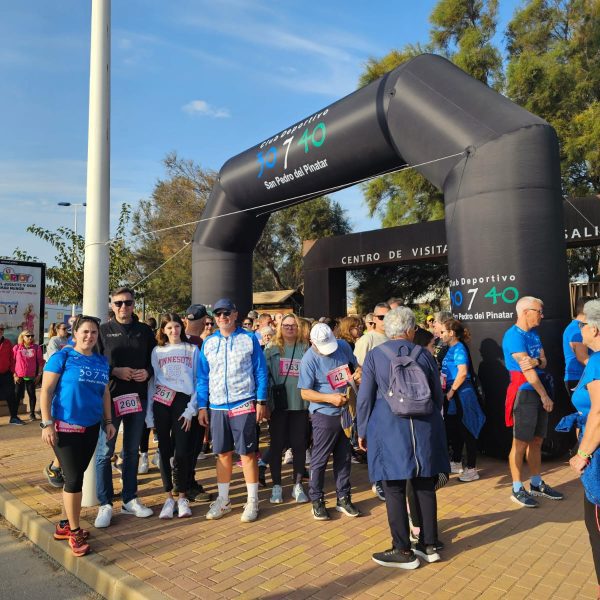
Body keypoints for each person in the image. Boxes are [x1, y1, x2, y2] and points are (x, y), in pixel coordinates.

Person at [357, 307, 450, 569]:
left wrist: (361, 430)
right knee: (423, 483)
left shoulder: (376, 356)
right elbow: (436, 394)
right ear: (410, 330)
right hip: (423, 426)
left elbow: (364, 398)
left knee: (394, 487)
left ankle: (402, 550)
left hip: (389, 428)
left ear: (388, 329)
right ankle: (429, 544)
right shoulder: (425, 355)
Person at [39, 315, 116, 557]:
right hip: (64, 427)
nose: (89, 336)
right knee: (73, 480)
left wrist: (109, 421)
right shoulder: (62, 357)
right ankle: (74, 530)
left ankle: (64, 524)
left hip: (92, 427)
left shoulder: (101, 361)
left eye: (94, 332)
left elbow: (104, 393)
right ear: (75, 332)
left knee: (77, 476)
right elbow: (47, 390)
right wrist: (46, 424)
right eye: (85, 331)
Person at [196, 298, 268, 522]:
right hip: (217, 406)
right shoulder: (208, 343)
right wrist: (202, 406)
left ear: (235, 314)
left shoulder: (249, 339)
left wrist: (261, 401)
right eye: (218, 314)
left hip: (243, 402)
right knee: (223, 454)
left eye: (226, 313)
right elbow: (202, 377)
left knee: (247, 454)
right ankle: (224, 499)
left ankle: (253, 500)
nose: (222, 317)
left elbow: (260, 371)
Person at [94, 287, 156, 528]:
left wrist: (147, 372)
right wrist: (114, 371)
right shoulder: (102, 331)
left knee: (131, 451)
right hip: (110, 400)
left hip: (137, 399)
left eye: (127, 303)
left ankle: (129, 499)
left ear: (133, 304)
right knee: (104, 453)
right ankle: (105, 504)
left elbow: (155, 361)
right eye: (118, 303)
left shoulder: (144, 331)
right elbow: (95, 363)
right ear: (111, 304)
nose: (123, 307)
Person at [502, 296, 563, 508]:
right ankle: (517, 488)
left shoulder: (535, 334)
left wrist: (536, 360)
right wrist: (544, 395)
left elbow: (543, 361)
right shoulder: (512, 337)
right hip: (524, 392)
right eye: (539, 311)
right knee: (520, 442)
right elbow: (528, 372)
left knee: (537, 440)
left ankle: (536, 484)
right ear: (526, 312)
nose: (542, 315)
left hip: (539, 388)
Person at [299, 323, 360, 520]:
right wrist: (329, 398)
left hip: (345, 411)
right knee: (320, 459)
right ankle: (316, 499)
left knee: (343, 457)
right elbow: (305, 392)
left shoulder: (342, 345)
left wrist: (358, 373)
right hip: (324, 414)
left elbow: (356, 366)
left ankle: (343, 497)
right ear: (312, 342)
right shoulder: (308, 360)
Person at [146, 314, 199, 519]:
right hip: (162, 402)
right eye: (169, 327)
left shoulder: (192, 349)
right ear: (163, 330)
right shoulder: (157, 351)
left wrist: (191, 408)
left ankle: (183, 496)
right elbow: (153, 383)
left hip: (183, 402)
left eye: (177, 326)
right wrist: (150, 416)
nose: (173, 331)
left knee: (183, 451)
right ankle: (169, 496)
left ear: (182, 327)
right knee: (164, 450)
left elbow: (197, 380)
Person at [565, 299, 600, 591]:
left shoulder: (599, 361)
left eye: (585, 325)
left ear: (596, 329)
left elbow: (599, 414)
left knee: (597, 527)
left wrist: (582, 454)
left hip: (597, 457)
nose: (581, 330)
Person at [264, 313, 310, 504]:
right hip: (278, 406)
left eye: (293, 325)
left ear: (298, 328)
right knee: (276, 446)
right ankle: (276, 486)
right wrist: (265, 404)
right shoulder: (271, 348)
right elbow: (264, 376)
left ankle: (297, 484)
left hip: (300, 405)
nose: (290, 328)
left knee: (299, 446)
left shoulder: (305, 348)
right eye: (286, 325)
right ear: (280, 327)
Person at [440, 319, 486, 482]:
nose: (441, 335)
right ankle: (457, 462)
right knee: (456, 429)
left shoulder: (459, 348)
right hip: (453, 396)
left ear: (451, 333)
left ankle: (472, 469)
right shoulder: (450, 348)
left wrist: (452, 391)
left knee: (468, 429)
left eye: (443, 332)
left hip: (463, 394)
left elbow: (462, 372)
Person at [353, 302, 389, 501]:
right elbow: (357, 370)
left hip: (391, 400)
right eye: (381, 317)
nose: (384, 321)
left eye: (387, 317)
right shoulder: (367, 340)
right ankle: (378, 481)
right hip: (373, 399)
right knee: (374, 442)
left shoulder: (393, 338)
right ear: (374, 319)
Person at [182, 304, 211, 502]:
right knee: (190, 447)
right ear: (202, 322)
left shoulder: (175, 340)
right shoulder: (200, 344)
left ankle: (182, 483)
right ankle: (187, 484)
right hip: (195, 402)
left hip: (177, 403)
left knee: (182, 447)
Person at [563, 295, 594, 399]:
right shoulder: (577, 329)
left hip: (584, 378)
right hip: (579, 379)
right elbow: (582, 357)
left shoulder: (581, 327)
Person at [13, 330, 44, 420]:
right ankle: (14, 415)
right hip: (19, 376)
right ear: (22, 337)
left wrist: (39, 375)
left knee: (32, 394)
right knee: (17, 395)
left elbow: (40, 362)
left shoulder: (36, 348)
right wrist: (15, 375)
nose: (30, 337)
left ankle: (32, 413)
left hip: (31, 376)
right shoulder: (17, 348)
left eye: (32, 336)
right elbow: (12, 362)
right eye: (28, 336)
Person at [0, 325, 20, 425]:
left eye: (1, 329)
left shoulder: (7, 342)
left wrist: (12, 371)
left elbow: (12, 358)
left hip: (6, 374)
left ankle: (14, 417)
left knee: (11, 396)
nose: (0, 331)